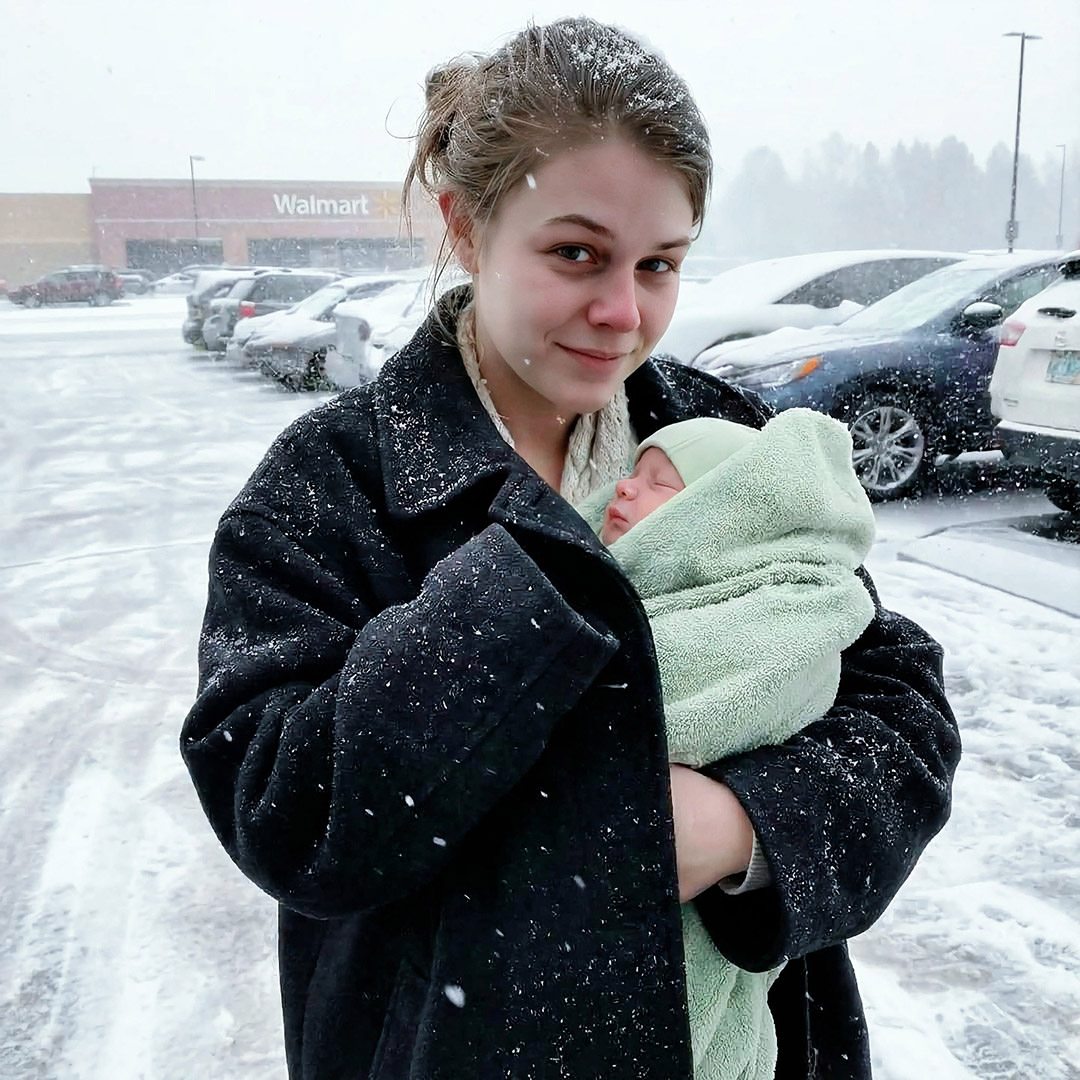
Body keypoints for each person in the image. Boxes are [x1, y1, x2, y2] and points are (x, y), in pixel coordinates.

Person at [180, 17, 960, 1080]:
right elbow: (284, 808)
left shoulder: (715, 437)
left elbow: (898, 703)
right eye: (576, 253)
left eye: (661, 264)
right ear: (466, 224)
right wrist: (520, 592)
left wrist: (742, 829)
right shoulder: (333, 485)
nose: (622, 312)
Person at [582, 411, 877, 1076]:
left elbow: (631, 718)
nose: (625, 490)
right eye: (629, 475)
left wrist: (746, 824)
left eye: (661, 483)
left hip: (686, 967)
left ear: (723, 515)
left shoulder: (774, 616)